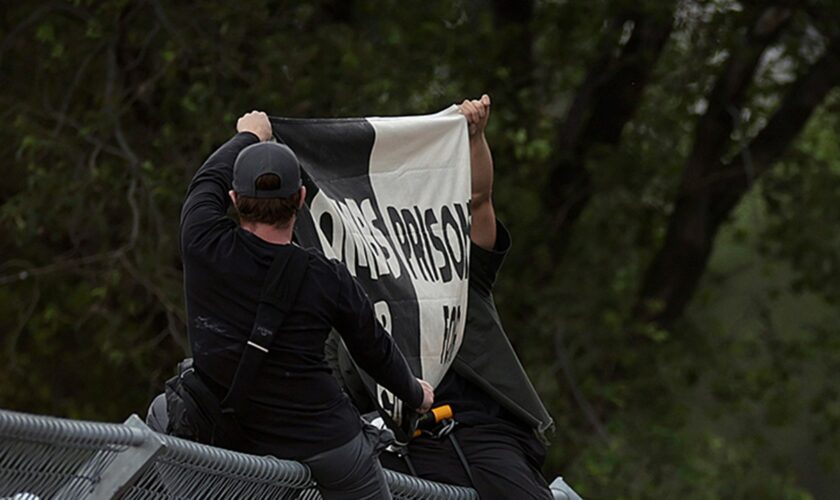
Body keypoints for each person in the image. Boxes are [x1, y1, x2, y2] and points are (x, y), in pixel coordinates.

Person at [180, 110, 434, 499]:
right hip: (327, 443)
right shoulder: (326, 278)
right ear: (300, 198)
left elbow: (206, 180)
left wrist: (248, 135)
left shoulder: (203, 241)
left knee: (162, 415)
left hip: (236, 437)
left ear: (233, 199)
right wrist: (415, 394)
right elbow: (373, 349)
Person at [328, 95, 555, 499]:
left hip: (480, 432)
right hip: (403, 444)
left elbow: (479, 201)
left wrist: (473, 137)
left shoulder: (456, 267)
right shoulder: (347, 303)